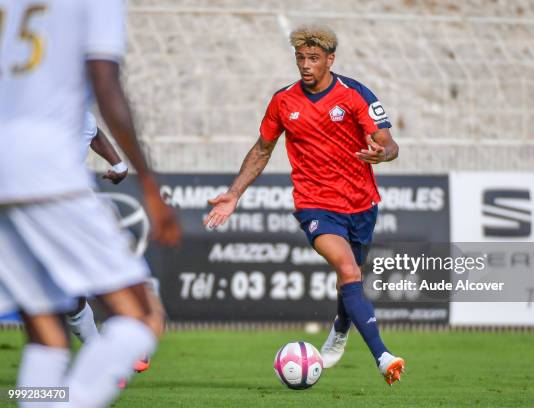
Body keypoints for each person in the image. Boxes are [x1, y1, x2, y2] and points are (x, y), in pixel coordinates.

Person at [0, 1, 180, 407]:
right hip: (45, 168)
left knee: (45, 332)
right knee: (142, 315)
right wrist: (148, 181)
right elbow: (105, 80)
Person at [204, 25, 404, 385]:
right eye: (300, 58)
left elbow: (389, 144)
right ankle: (383, 355)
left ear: (330, 59)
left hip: (361, 204)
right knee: (347, 268)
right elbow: (262, 149)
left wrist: (382, 154)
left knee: (352, 276)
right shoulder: (283, 101)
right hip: (314, 203)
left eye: (313, 58)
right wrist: (234, 194)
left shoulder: (355, 95)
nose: (306, 65)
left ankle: (340, 328)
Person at [66, 111, 150, 375]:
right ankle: (104, 355)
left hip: (77, 209)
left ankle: (130, 336)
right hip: (39, 213)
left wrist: (119, 164)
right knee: (68, 294)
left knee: (107, 274)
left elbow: (94, 131)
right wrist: (119, 165)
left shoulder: (69, 111)